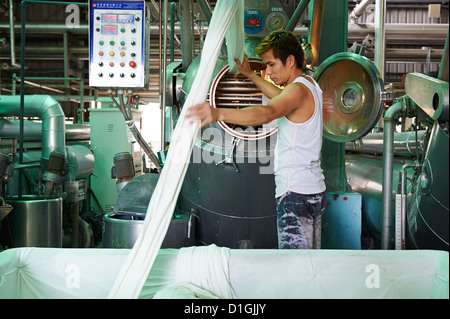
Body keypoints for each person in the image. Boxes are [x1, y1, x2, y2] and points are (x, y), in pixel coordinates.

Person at [186, 30, 326, 249]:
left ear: (290, 61)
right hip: (312, 189)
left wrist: (218, 113)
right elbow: (279, 97)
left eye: (271, 65)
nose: (268, 72)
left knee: (296, 264)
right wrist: (251, 75)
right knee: (309, 261)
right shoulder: (310, 87)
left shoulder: (297, 91)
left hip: (295, 192)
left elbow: (266, 113)